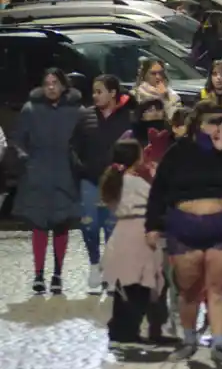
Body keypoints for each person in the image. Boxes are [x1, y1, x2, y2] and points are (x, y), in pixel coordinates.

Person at [145, 103, 222, 365]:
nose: (218, 126)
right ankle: (189, 339)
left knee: (218, 288)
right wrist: (152, 225)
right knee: (188, 290)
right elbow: (158, 190)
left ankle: (218, 343)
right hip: (184, 228)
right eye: (212, 121)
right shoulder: (179, 151)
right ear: (198, 122)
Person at [13, 68, 84, 293]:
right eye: (47, 83)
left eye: (55, 82)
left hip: (66, 175)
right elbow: (17, 140)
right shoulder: (30, 110)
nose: (51, 87)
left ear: (64, 85)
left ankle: (57, 275)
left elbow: (86, 141)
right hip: (38, 175)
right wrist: (26, 160)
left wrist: (79, 164)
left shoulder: (77, 111)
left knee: (61, 225)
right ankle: (38, 275)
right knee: (39, 225)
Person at [98, 140, 172, 345]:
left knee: (125, 285)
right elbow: (157, 201)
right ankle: (130, 330)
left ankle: (120, 328)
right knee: (140, 286)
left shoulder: (114, 180)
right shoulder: (136, 183)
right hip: (140, 233)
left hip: (121, 233)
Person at [75, 75, 136, 293]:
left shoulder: (127, 118)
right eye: (94, 92)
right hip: (90, 181)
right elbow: (74, 147)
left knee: (113, 228)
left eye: (99, 91)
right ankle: (94, 265)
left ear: (112, 93)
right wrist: (82, 168)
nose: (95, 96)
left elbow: (134, 148)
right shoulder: (85, 116)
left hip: (116, 182)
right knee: (90, 225)